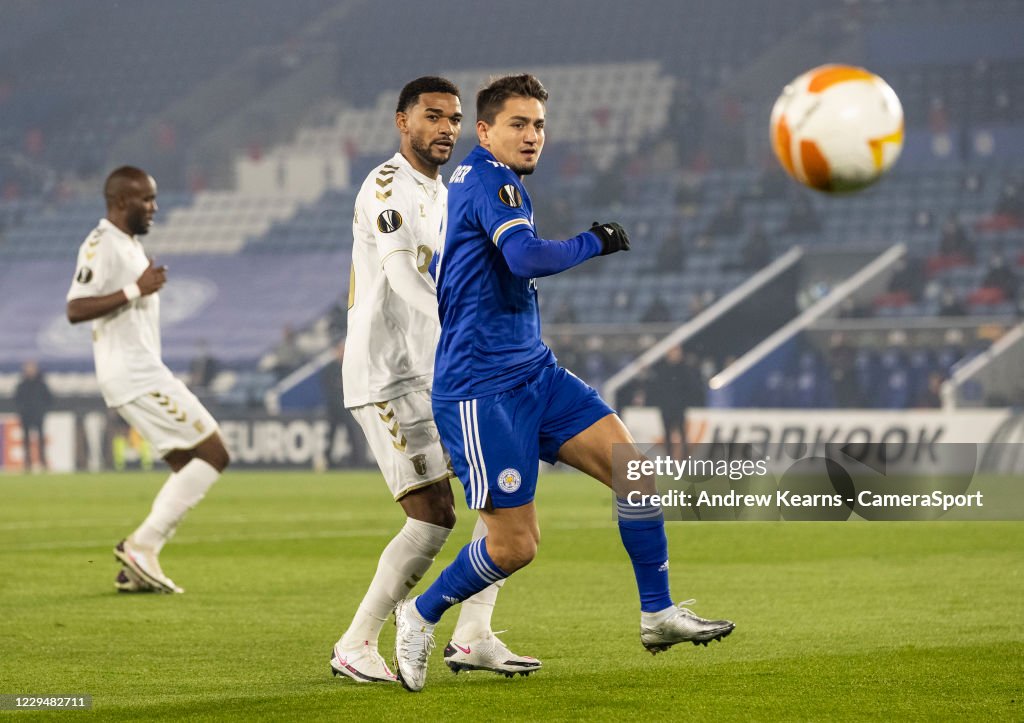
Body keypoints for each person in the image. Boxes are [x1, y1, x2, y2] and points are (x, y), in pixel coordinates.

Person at [393, 74, 733, 693]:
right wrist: (596, 240)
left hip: (534, 372)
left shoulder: (486, 183)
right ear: (487, 130)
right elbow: (525, 259)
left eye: (540, 125)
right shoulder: (491, 181)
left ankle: (657, 614)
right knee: (516, 546)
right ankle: (418, 613)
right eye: (518, 125)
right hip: (481, 390)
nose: (532, 136)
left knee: (634, 469)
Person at [331, 76, 539, 685]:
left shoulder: (448, 193)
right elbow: (401, 278)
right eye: (432, 116)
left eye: (452, 118)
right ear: (403, 122)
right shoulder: (388, 185)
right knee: (432, 516)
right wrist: (461, 325)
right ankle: (357, 640)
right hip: (389, 375)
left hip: (440, 370)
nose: (445, 128)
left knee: (500, 494)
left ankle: (473, 636)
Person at [66, 166, 230, 594]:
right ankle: (142, 546)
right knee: (214, 452)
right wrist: (137, 290)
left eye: (154, 199)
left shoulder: (129, 245)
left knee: (186, 464)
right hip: (135, 373)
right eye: (146, 199)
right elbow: (75, 309)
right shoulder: (102, 244)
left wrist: (140, 287)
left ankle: (136, 566)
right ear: (121, 202)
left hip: (137, 371)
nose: (154, 207)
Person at [319, 340, 366, 468]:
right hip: (334, 409)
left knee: (352, 435)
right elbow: (329, 387)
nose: (342, 353)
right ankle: (327, 461)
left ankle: (356, 461)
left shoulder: (350, 367)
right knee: (330, 436)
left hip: (347, 409)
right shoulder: (330, 369)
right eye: (340, 350)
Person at [14, 360, 52, 472]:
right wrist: (21, 410)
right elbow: (17, 399)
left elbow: (49, 398)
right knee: (26, 439)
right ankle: (27, 462)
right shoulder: (22, 385)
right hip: (26, 415)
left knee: (40, 439)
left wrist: (42, 410)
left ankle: (42, 461)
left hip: (38, 415)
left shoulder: (41, 384)